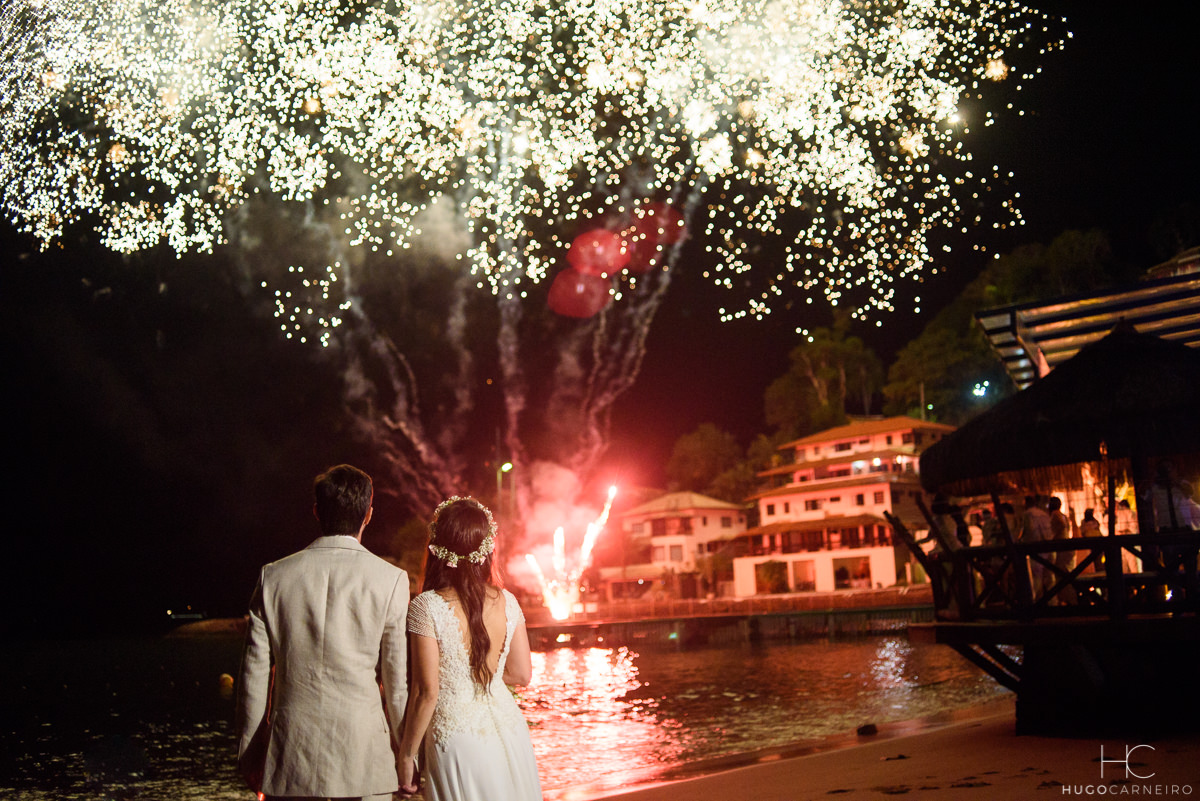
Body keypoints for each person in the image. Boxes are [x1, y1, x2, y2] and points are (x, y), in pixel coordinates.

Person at [236, 465, 410, 800]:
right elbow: (396, 685)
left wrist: (249, 751)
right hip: (364, 754)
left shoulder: (273, 577)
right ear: (368, 515)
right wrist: (406, 754)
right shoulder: (390, 580)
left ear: (317, 511)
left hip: (290, 754)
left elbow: (253, 676)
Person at [398, 496, 542, 801]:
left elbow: (427, 693)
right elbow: (522, 674)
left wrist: (406, 755)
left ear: (436, 547)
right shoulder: (509, 602)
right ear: (486, 548)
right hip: (510, 733)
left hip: (457, 740)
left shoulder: (426, 607)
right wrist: (481, 677)